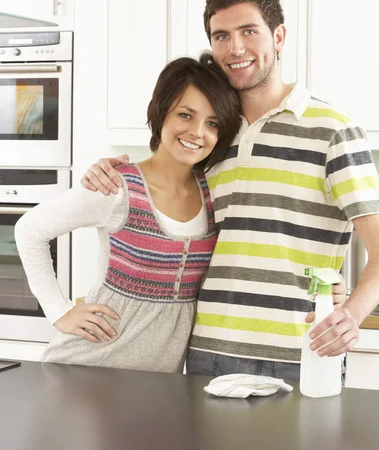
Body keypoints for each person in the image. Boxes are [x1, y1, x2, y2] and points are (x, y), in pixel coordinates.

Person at [82, 0, 379, 383]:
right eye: (221, 35)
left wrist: (350, 314)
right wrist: (112, 171)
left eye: (249, 31)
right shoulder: (210, 136)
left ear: (278, 36)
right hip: (205, 350)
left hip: (299, 351)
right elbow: (161, 184)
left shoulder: (332, 130)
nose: (235, 48)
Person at [14, 54, 242, 372]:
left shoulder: (212, 190)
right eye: (186, 115)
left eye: (212, 123)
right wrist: (59, 312)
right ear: (162, 114)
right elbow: (28, 230)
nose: (197, 132)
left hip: (156, 387)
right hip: (87, 369)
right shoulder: (116, 187)